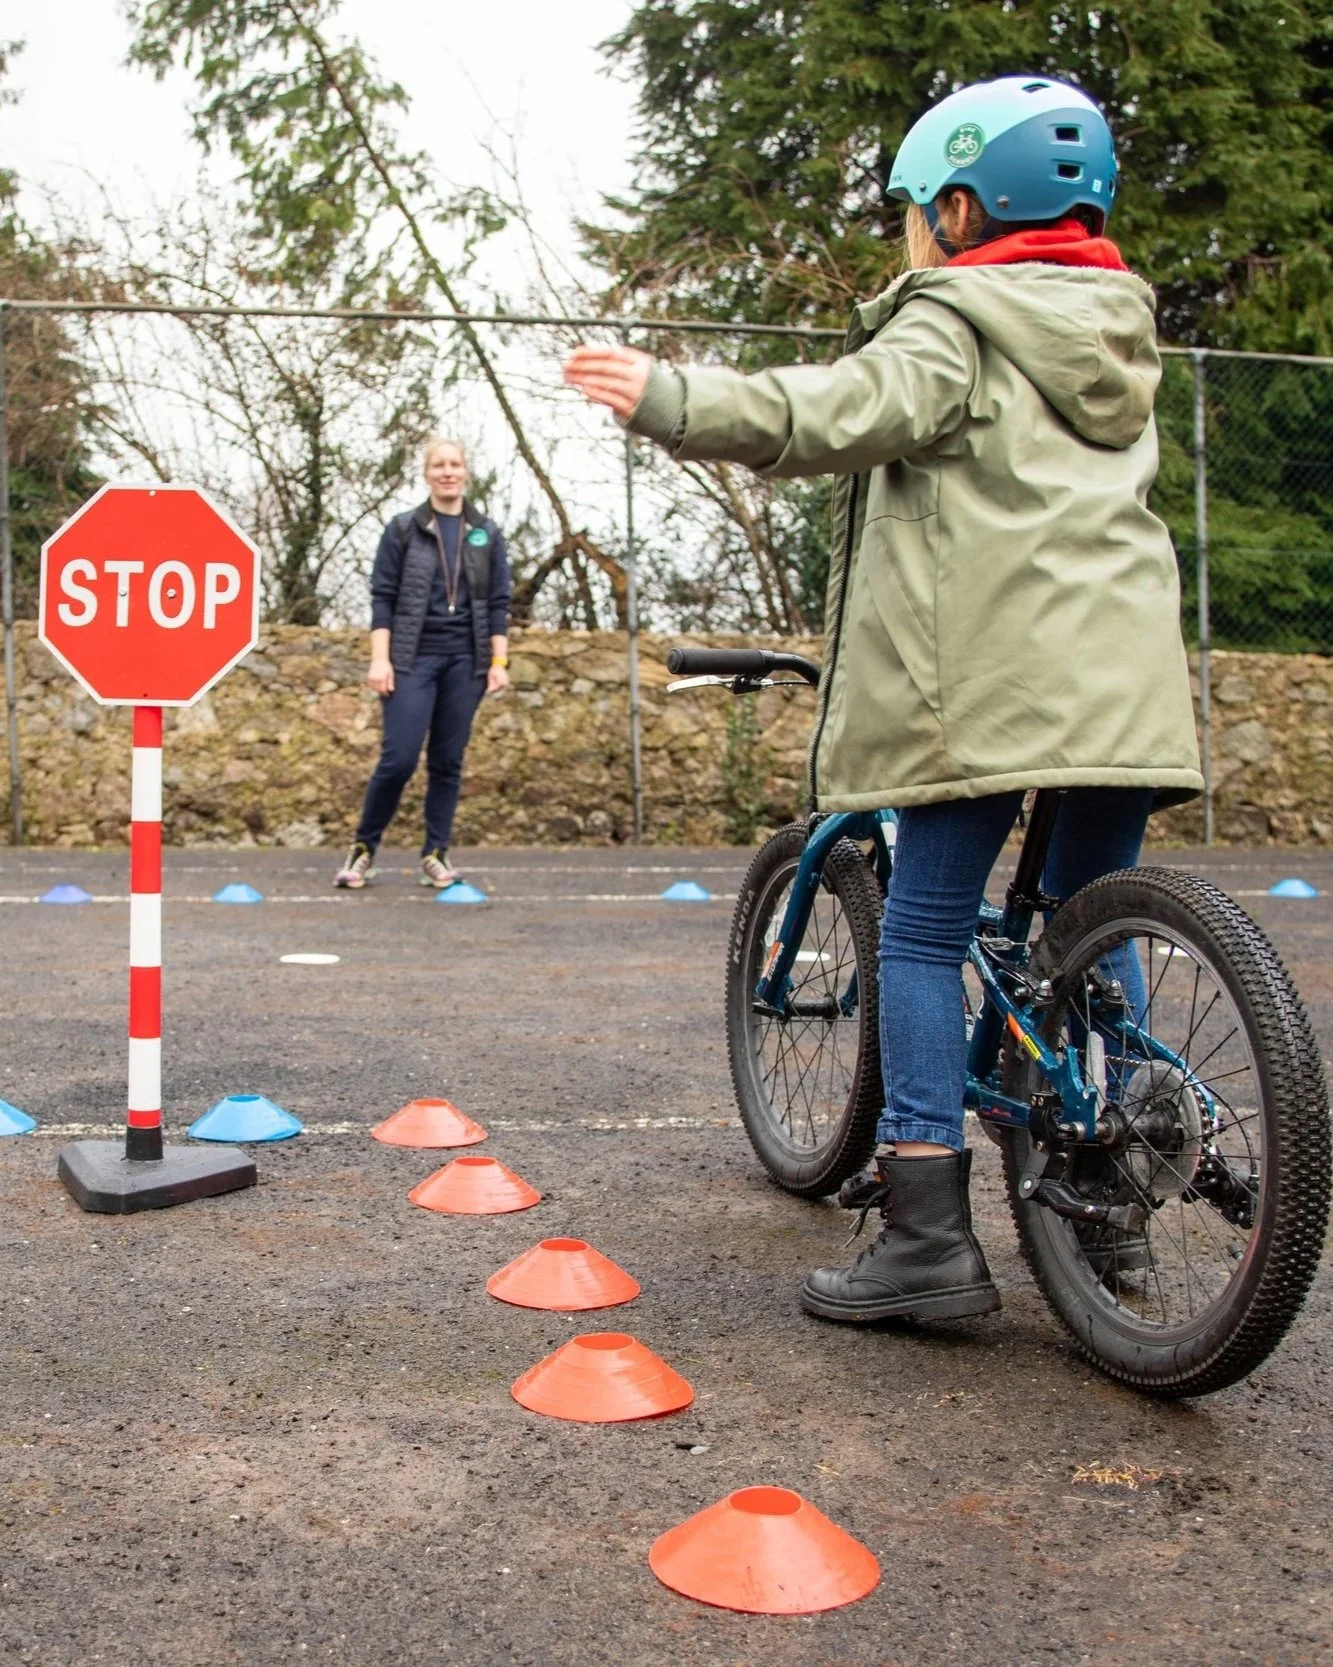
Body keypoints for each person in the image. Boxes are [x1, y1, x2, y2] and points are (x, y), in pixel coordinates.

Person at [563, 77, 1202, 1324]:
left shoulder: (959, 318)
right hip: (1127, 688)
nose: (910, 230)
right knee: (1086, 936)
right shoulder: (1118, 335)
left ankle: (923, 1234)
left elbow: (832, 410)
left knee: (918, 934)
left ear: (961, 207)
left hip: (989, 687)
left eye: (917, 206)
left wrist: (672, 397)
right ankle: (1113, 1204)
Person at [335, 438, 511, 890]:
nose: (447, 472)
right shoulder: (402, 530)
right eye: (439, 465)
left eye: (455, 464)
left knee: (448, 761)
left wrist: (498, 661)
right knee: (399, 759)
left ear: (466, 472)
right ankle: (362, 849)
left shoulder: (486, 534)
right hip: (411, 658)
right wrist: (380, 659)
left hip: (466, 662)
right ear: (427, 474)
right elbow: (382, 598)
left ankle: (435, 852)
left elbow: (497, 603)